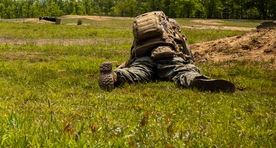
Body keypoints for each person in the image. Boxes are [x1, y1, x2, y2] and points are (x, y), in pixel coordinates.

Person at [99, 11, 235, 93]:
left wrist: (125, 66)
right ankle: (194, 80)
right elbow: (186, 52)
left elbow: (134, 53)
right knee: (181, 71)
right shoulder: (173, 28)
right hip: (168, 57)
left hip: (144, 58)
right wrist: (188, 63)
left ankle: (116, 76)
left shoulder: (144, 34)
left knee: (138, 73)